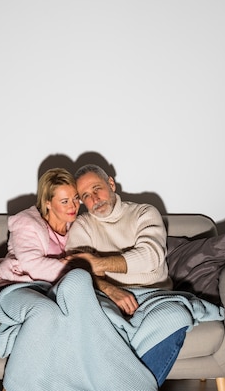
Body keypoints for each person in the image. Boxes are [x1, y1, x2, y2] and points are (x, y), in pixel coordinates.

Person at [63, 163, 182, 386]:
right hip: (108, 298)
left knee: (178, 316)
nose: (94, 199)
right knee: (93, 321)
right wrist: (110, 289)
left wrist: (99, 264)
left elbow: (151, 256)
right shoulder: (83, 225)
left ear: (111, 183)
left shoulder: (144, 212)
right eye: (85, 196)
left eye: (97, 188)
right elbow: (76, 271)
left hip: (155, 295)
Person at [0, 167, 80, 317]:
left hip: (47, 292)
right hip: (11, 288)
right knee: (44, 311)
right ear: (48, 203)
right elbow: (32, 265)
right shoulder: (27, 223)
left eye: (76, 198)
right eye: (64, 201)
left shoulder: (77, 227)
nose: (73, 206)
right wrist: (72, 267)